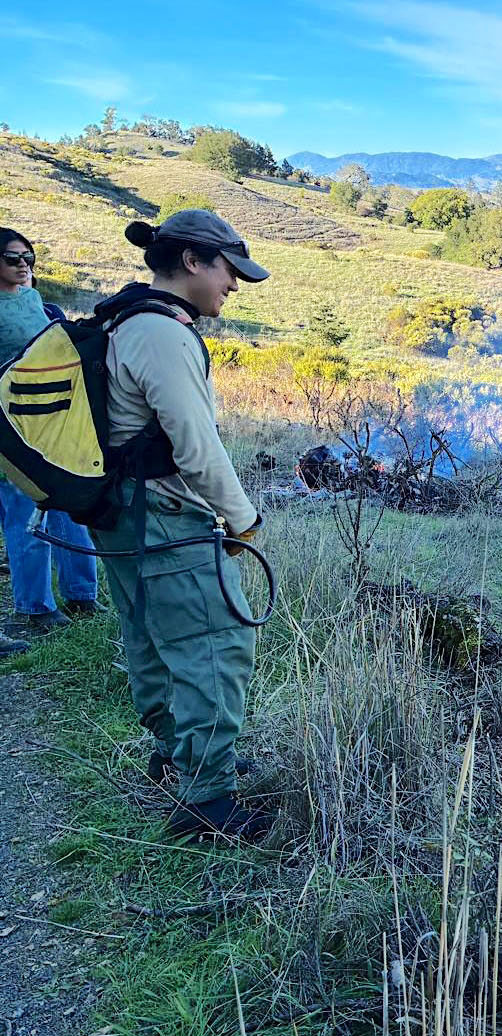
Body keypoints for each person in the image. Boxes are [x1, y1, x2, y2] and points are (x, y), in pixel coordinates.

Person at [87, 210, 271, 840]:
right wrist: (242, 518)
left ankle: (179, 752)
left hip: (126, 514)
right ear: (193, 261)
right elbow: (196, 446)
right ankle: (206, 803)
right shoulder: (163, 333)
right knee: (216, 645)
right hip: (164, 515)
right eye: (229, 270)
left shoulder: (123, 318)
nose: (234, 285)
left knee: (151, 636)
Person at [0, 228, 98, 644]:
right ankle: (35, 609)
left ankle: (82, 596)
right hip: (11, 426)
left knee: (69, 508)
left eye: (29, 256)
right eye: (12, 258)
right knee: (23, 514)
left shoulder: (33, 297)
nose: (24, 264)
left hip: (56, 422)